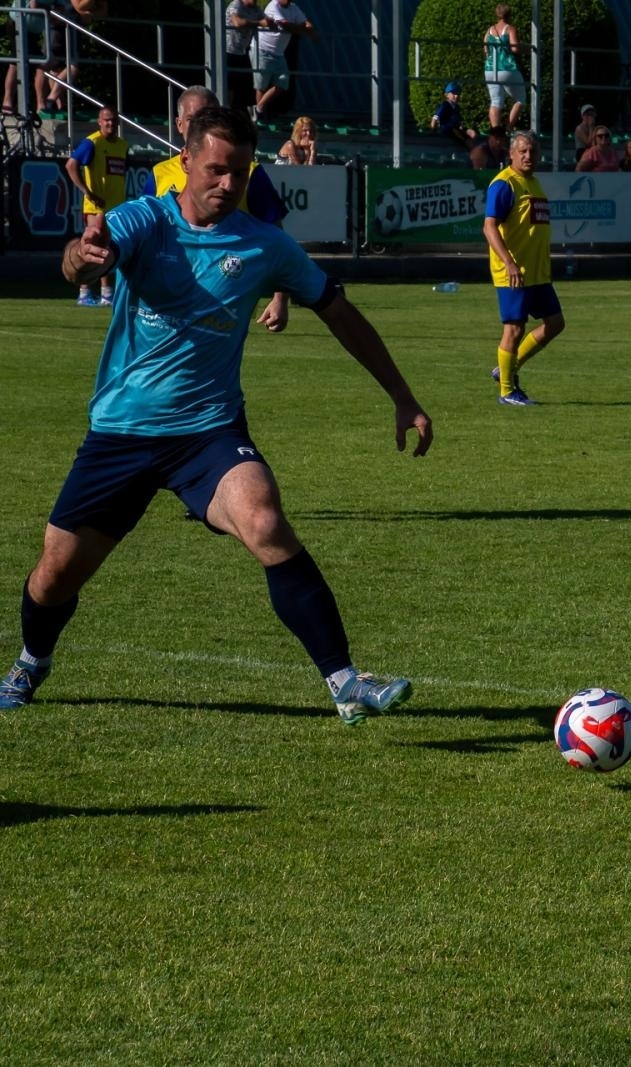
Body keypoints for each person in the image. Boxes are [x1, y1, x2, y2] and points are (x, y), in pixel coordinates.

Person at [0, 106, 432, 724]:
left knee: (264, 519)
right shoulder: (146, 219)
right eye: (215, 170)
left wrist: (402, 395)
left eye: (238, 172)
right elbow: (84, 255)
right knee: (52, 579)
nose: (227, 185)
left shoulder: (265, 245)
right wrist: (82, 258)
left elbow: (337, 309)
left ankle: (345, 681)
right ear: (187, 160)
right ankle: (31, 661)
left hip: (207, 433)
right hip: (120, 435)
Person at [146, 85, 292, 332]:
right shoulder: (159, 174)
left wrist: (280, 299)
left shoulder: (250, 174)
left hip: (228, 296)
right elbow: (144, 236)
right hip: (168, 298)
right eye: (193, 119)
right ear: (179, 124)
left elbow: (278, 237)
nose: (201, 126)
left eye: (209, 117)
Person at [483, 132, 564, 407]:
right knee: (514, 329)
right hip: (513, 271)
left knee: (555, 323)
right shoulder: (504, 184)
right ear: (512, 154)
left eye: (532, 152)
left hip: (537, 272)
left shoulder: (534, 183)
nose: (529, 156)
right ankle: (506, 390)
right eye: (523, 151)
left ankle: (507, 367)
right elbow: (489, 226)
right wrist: (509, 262)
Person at [65, 105, 127, 306]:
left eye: (113, 120)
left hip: (116, 206)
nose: (110, 123)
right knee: (94, 247)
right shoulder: (92, 143)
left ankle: (106, 294)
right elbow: (71, 164)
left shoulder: (122, 145)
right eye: (106, 120)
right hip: (97, 207)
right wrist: (88, 193)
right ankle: (85, 292)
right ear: (99, 122)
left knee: (108, 248)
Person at [252, 0, 315, 121]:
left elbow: (307, 24)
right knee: (261, 85)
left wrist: (302, 28)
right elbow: (286, 26)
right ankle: (259, 117)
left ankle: (258, 109)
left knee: (283, 82)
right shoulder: (273, 6)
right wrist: (300, 28)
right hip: (262, 49)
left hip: (278, 52)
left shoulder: (293, 8)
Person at [483, 4, 525, 132]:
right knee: (520, 99)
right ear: (509, 15)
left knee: (496, 101)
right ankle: (508, 129)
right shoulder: (510, 29)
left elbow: (485, 49)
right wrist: (528, 50)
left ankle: (496, 133)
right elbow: (515, 48)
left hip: (490, 69)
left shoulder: (489, 30)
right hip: (507, 68)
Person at [224, 0, 267, 112]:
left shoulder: (256, 9)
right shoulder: (236, 4)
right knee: (228, 85)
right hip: (227, 51)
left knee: (242, 86)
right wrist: (258, 23)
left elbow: (266, 21)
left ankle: (237, 113)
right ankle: (225, 111)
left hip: (242, 52)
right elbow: (237, 23)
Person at [431, 80, 476, 153]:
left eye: (458, 93)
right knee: (465, 140)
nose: (457, 95)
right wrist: (433, 131)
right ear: (446, 95)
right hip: (448, 129)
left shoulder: (457, 107)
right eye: (454, 93)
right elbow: (435, 119)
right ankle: (472, 154)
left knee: (473, 133)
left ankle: (470, 147)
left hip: (456, 128)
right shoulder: (444, 106)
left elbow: (458, 121)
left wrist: (462, 127)